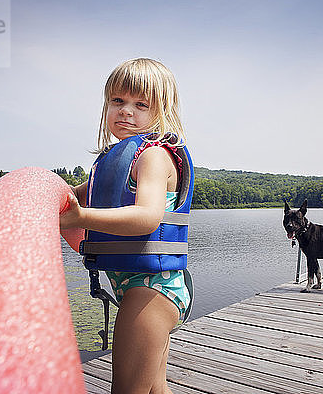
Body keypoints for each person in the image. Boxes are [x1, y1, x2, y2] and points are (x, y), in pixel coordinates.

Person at [60, 58, 194, 393]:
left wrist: (80, 217)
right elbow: (67, 198)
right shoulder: (111, 162)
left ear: (161, 112)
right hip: (135, 285)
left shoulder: (152, 157)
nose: (126, 111)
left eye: (140, 104)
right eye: (117, 101)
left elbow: (146, 217)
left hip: (153, 289)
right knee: (154, 389)